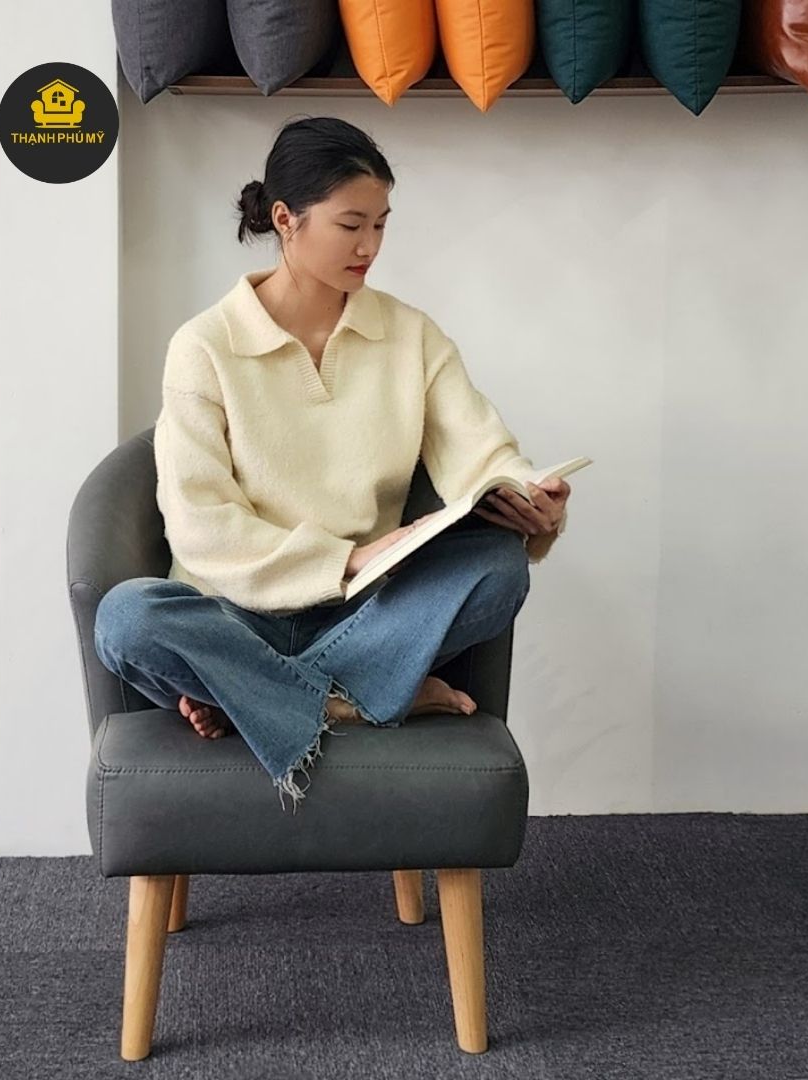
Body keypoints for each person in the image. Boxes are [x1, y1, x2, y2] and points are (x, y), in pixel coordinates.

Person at [93, 115, 572, 812]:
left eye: (380, 224)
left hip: (368, 613)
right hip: (235, 616)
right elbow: (199, 525)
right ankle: (358, 696)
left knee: (499, 567)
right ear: (285, 219)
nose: (369, 246)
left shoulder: (411, 335)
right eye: (351, 225)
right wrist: (344, 558)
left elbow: (480, 450)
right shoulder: (205, 347)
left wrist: (532, 498)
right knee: (126, 619)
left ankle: (262, 695)